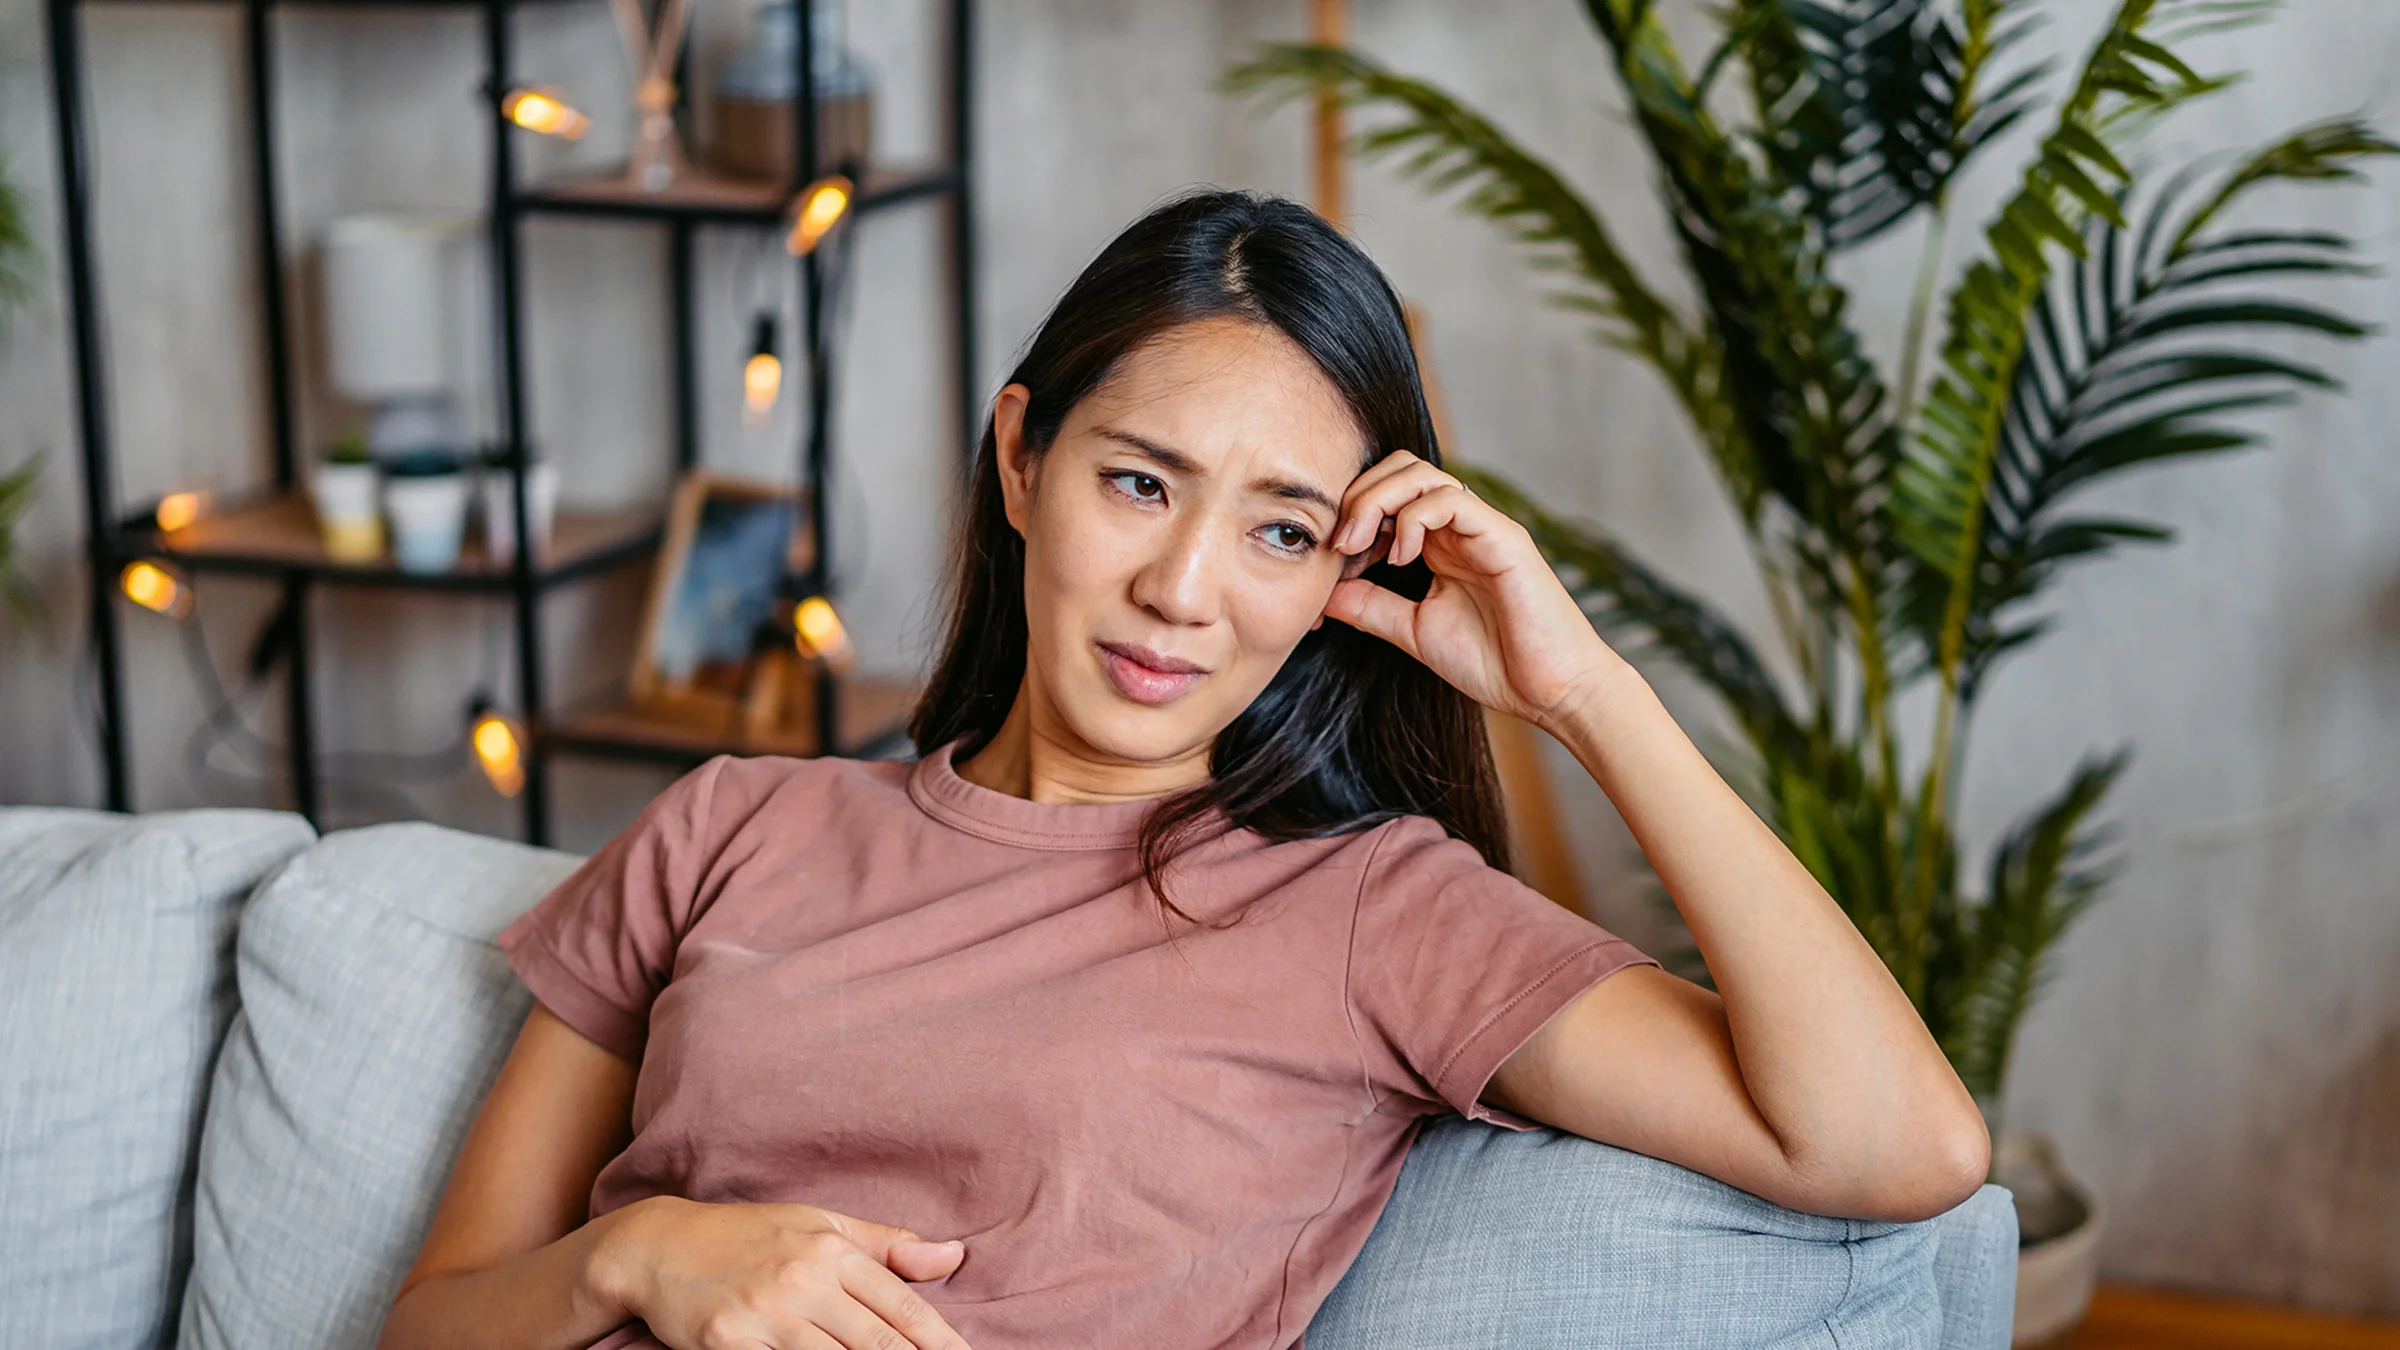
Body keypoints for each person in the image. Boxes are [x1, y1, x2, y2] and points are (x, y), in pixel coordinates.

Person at [376, 189, 1988, 1350]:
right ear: (1023, 458)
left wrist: (1582, 693)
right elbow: (433, 1321)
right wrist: (644, 1254)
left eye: (1282, 529)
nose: (1184, 589)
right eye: (1141, 483)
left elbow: (1898, 1146)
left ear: (1346, 566)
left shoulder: (1370, 912)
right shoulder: (730, 824)